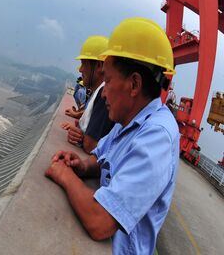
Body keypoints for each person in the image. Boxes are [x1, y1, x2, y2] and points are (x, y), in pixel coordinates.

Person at [46, 17, 180, 255]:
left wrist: (65, 175)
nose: (104, 93)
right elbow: (101, 157)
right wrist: (81, 166)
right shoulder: (128, 119)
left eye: (107, 81)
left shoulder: (157, 137)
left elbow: (100, 222)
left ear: (134, 84)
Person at [62, 35, 114, 154]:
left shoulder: (104, 94)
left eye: (84, 63)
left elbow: (91, 146)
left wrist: (82, 138)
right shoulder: (99, 92)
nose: (80, 69)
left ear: (99, 66)